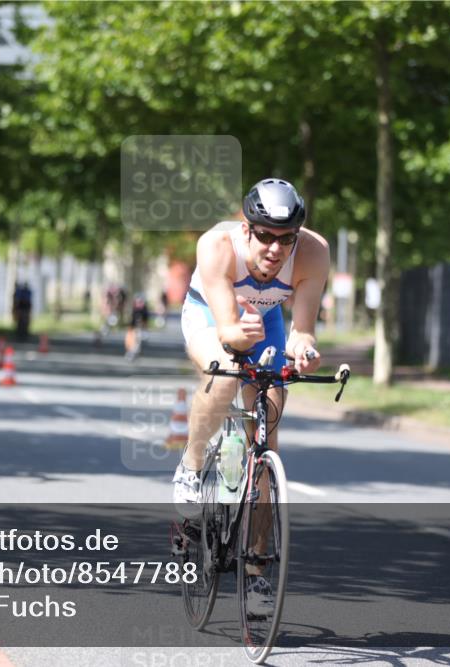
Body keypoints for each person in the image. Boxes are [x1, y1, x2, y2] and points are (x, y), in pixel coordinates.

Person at [172, 178, 329, 611]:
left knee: (267, 437)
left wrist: (304, 351)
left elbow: (303, 330)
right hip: (213, 316)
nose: (276, 249)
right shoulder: (217, 246)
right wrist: (239, 339)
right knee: (225, 374)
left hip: (266, 320)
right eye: (265, 236)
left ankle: (258, 572)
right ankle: (192, 463)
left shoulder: (313, 252)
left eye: (286, 238)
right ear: (246, 229)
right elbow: (229, 332)